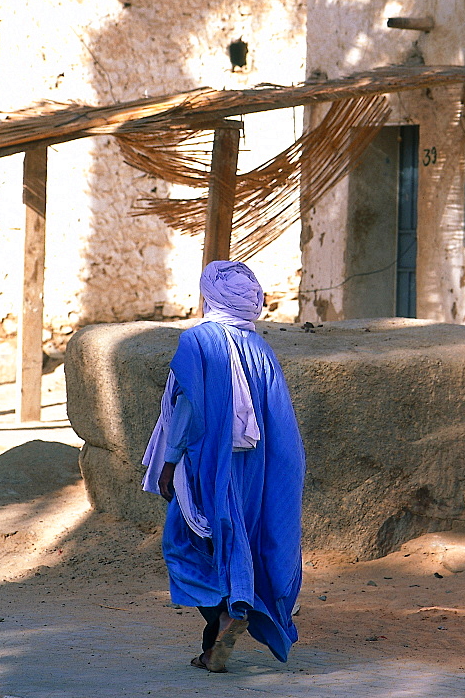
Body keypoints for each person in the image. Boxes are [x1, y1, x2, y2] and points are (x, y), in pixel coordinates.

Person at [142, 260, 305, 673]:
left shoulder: (197, 342)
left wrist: (169, 463)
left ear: (210, 297)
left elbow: (187, 409)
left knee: (184, 543)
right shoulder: (261, 350)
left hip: (205, 463)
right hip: (252, 468)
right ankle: (213, 648)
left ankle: (226, 612)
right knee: (237, 540)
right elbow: (279, 422)